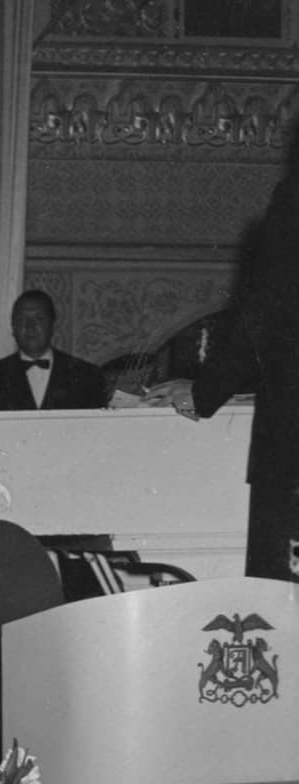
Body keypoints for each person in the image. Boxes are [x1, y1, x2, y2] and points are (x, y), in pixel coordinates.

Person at [148, 189, 299, 582]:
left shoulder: (291, 210)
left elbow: (261, 322)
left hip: (292, 453)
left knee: (284, 603)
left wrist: (204, 393)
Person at [0, 290, 107, 411]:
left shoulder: (87, 375)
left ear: (53, 324)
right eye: (22, 319)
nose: (30, 326)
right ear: (13, 326)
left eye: (39, 319)